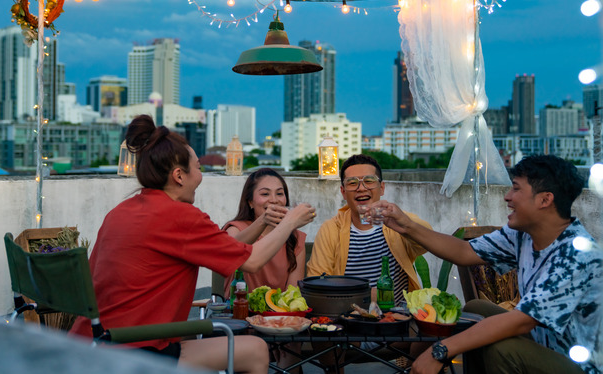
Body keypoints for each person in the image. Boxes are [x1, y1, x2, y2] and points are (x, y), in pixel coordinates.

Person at [69, 115, 316, 374]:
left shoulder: (120, 212)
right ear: (179, 175)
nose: (201, 175)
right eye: (198, 168)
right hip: (131, 350)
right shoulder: (181, 216)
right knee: (255, 351)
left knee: (190, 340)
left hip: (89, 344)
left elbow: (229, 247)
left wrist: (264, 221)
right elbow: (252, 261)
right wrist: (291, 221)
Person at [373, 154, 603, 374]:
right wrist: (405, 226)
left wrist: (441, 350)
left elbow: (522, 321)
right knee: (477, 310)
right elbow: (464, 251)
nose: (507, 196)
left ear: (545, 199)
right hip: (546, 346)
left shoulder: (576, 255)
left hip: (583, 366)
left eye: (516, 188)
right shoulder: (524, 235)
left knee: (502, 350)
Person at [306, 154, 431, 303]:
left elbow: (426, 242)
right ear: (343, 192)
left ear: (382, 188)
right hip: (349, 318)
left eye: (369, 181)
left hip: (397, 318)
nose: (361, 188)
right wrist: (364, 294)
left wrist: (404, 223)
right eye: (352, 183)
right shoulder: (330, 229)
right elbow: (318, 283)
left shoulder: (398, 223)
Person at [222, 168, 307, 294]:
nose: (274, 200)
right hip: (241, 310)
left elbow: (292, 294)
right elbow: (229, 250)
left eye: (279, 194)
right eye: (265, 194)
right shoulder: (235, 229)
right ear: (250, 202)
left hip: (279, 312)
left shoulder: (296, 238)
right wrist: (264, 220)